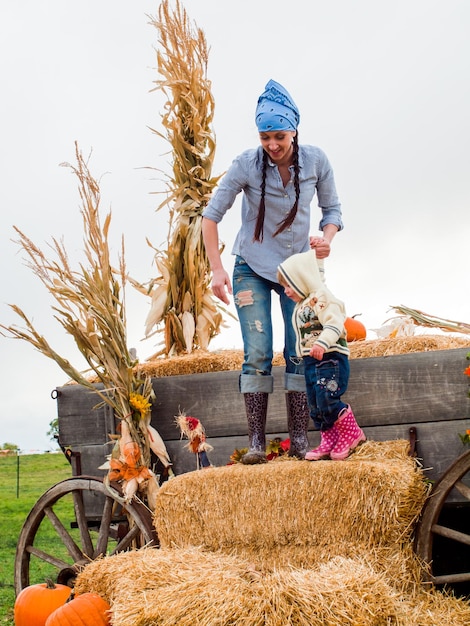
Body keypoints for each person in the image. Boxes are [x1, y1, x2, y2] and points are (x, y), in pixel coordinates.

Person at [202, 79, 343, 464]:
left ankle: (299, 440)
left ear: (294, 131)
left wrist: (326, 238)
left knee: (298, 348)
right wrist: (217, 270)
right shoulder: (246, 165)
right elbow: (210, 217)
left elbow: (333, 212)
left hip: (297, 271)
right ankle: (256, 445)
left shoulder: (316, 161)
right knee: (258, 350)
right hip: (252, 268)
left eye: (279, 135)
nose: (273, 144)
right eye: (266, 137)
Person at [277, 249, 366, 460]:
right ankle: (329, 440)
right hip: (311, 361)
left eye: (289, 285)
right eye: (284, 287)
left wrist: (322, 343)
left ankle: (352, 433)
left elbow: (334, 323)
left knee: (328, 397)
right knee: (315, 404)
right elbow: (316, 274)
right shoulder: (303, 303)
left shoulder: (321, 297)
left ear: (301, 280)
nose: (286, 291)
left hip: (329, 358)